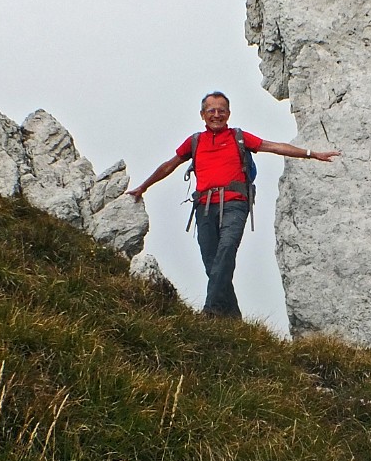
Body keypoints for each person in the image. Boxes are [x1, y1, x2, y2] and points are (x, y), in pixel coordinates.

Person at [128, 91, 340, 319]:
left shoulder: (239, 137)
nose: (216, 115)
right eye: (211, 111)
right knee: (212, 263)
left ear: (228, 113)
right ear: (202, 115)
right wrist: (144, 186)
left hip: (235, 205)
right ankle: (233, 319)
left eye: (221, 110)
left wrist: (311, 154)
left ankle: (209, 311)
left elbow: (275, 147)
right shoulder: (195, 141)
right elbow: (169, 165)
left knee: (226, 250)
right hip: (204, 207)